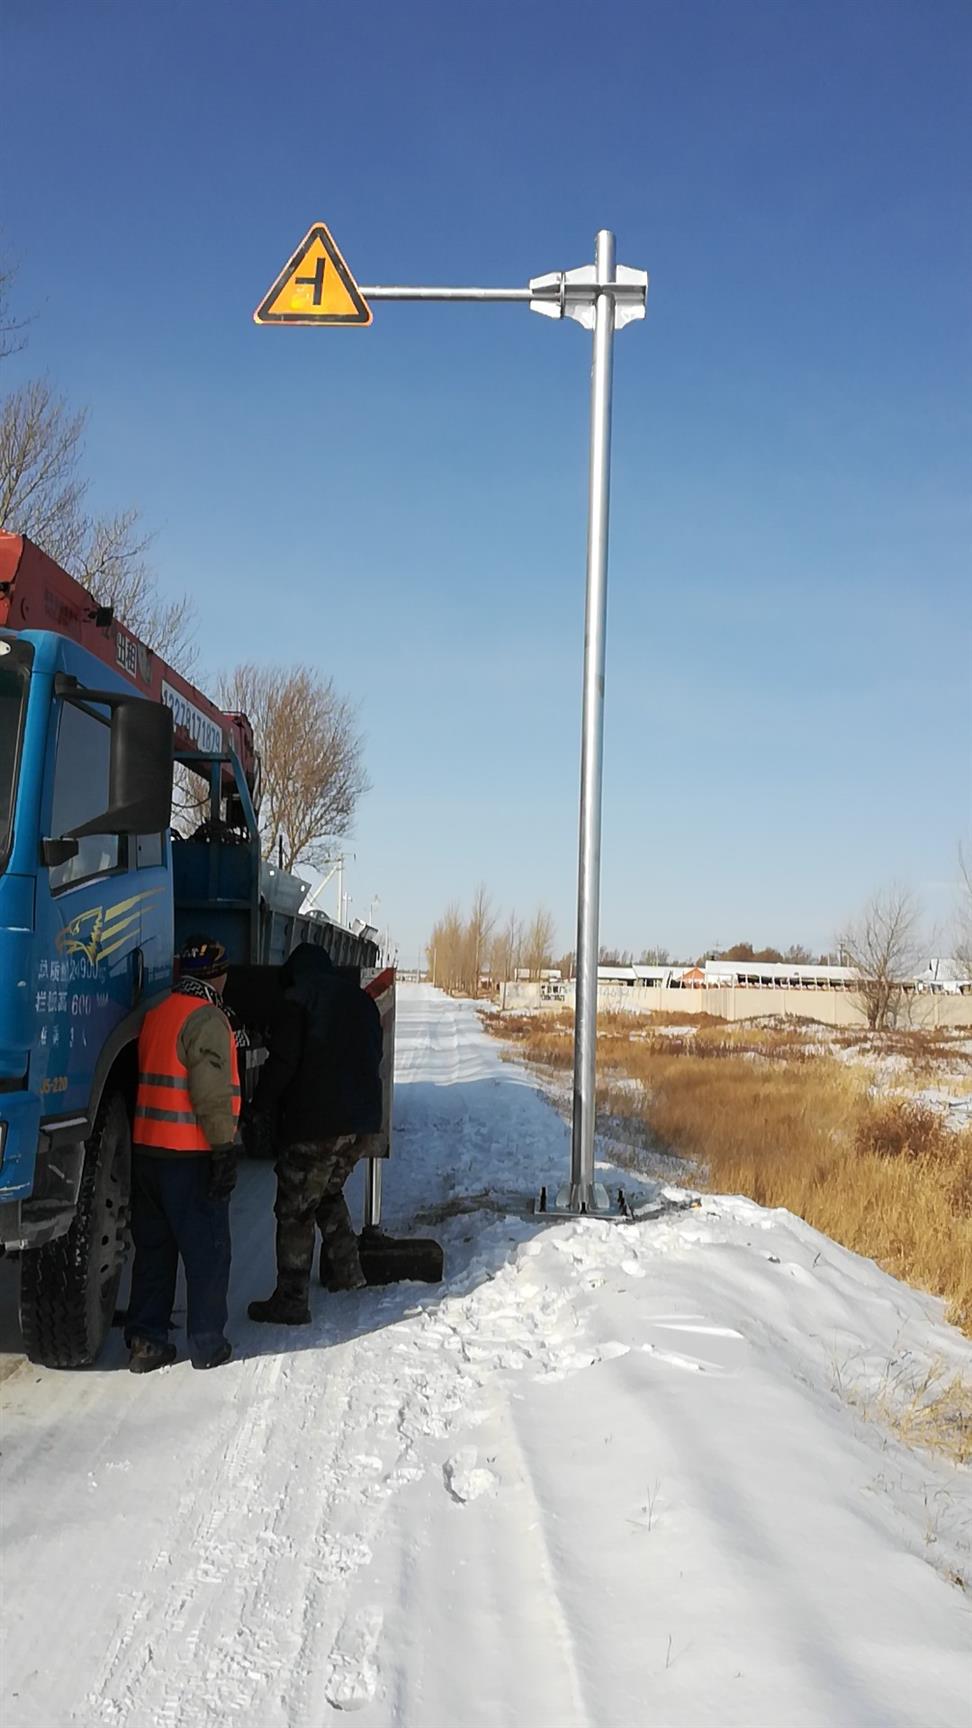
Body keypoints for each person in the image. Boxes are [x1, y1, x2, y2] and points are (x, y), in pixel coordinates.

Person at [248, 944, 383, 1326]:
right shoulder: (362, 1001)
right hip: (361, 1123)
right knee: (326, 1190)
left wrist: (260, 1106)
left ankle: (291, 1299)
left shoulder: (297, 1000)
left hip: (317, 1123)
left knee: (295, 1208)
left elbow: (284, 1061)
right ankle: (347, 1271)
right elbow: (375, 1055)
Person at [125, 936, 242, 1372]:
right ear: (219, 975)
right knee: (207, 1251)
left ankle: (146, 1343)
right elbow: (210, 1091)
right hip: (190, 1156)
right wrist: (223, 1149)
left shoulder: (158, 1014)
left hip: (148, 1153)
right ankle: (208, 1345)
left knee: (153, 1252)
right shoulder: (207, 1018)